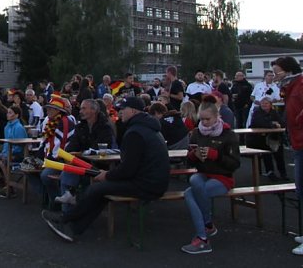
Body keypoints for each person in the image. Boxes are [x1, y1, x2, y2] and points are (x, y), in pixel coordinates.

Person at [42, 96, 169, 242]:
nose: (120, 112)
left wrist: (107, 175)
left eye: (123, 109)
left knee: (96, 189)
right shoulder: (147, 128)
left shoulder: (135, 133)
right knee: (100, 191)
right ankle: (73, 227)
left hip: (147, 185)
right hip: (154, 182)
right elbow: (130, 167)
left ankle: (65, 220)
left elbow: (128, 169)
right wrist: (109, 175)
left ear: (133, 111)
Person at [180, 101, 241, 254]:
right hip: (203, 174)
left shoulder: (228, 134)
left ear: (216, 116)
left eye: (208, 119)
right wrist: (193, 155)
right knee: (194, 180)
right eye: (202, 119)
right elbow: (188, 160)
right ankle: (207, 226)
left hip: (223, 177)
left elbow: (235, 164)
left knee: (190, 193)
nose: (205, 122)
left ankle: (203, 236)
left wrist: (216, 155)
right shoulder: (196, 133)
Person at [273, 56, 303, 255]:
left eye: (277, 71)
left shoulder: (302, 84)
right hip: (301, 143)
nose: (275, 75)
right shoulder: (293, 85)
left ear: (288, 70)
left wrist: (299, 120)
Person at [56, 98, 116, 207]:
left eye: (84, 108)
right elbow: (72, 145)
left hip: (101, 165)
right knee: (65, 169)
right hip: (82, 162)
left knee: (69, 171)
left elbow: (98, 148)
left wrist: (78, 154)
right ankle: (69, 205)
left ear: (93, 110)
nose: (80, 111)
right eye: (81, 109)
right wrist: (69, 154)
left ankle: (71, 205)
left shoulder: (105, 127)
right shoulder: (80, 126)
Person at [37, 94, 78, 202]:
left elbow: (62, 147)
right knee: (29, 169)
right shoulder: (51, 121)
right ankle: (49, 199)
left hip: (62, 160)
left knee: (45, 175)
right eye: (48, 108)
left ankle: (56, 201)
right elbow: (46, 142)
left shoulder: (64, 122)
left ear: (58, 110)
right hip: (51, 158)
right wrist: (40, 156)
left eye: (51, 109)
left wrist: (47, 160)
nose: (48, 111)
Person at [248, 97, 288, 181]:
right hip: (259, 138)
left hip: (272, 137)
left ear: (270, 105)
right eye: (262, 103)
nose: (264, 105)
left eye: (266, 103)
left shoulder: (274, 112)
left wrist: (275, 124)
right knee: (266, 151)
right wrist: (273, 124)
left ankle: (283, 173)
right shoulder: (257, 112)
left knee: (279, 151)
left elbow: (282, 123)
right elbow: (259, 123)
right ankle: (270, 172)